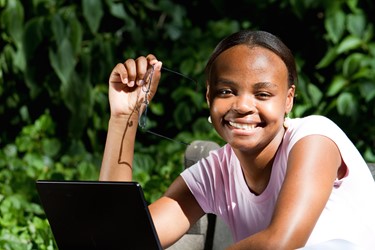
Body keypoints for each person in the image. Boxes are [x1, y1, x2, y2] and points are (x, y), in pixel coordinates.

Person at [99, 30, 375, 249]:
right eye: (226, 91)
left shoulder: (314, 137)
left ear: (288, 99)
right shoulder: (215, 173)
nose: (242, 105)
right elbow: (121, 241)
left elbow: (281, 243)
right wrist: (124, 117)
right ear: (209, 98)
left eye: (263, 94)